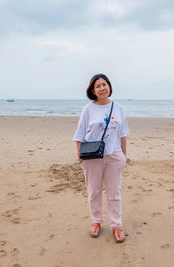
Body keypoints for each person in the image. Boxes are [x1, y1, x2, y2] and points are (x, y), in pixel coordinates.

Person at [73, 74, 129, 243]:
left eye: (104, 84)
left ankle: (116, 225)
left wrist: (123, 157)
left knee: (114, 193)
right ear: (93, 91)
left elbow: (123, 135)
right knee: (94, 192)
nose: (102, 88)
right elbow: (79, 135)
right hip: (92, 157)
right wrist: (80, 157)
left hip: (114, 156)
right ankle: (96, 222)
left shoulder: (118, 108)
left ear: (109, 86)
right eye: (98, 86)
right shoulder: (88, 109)